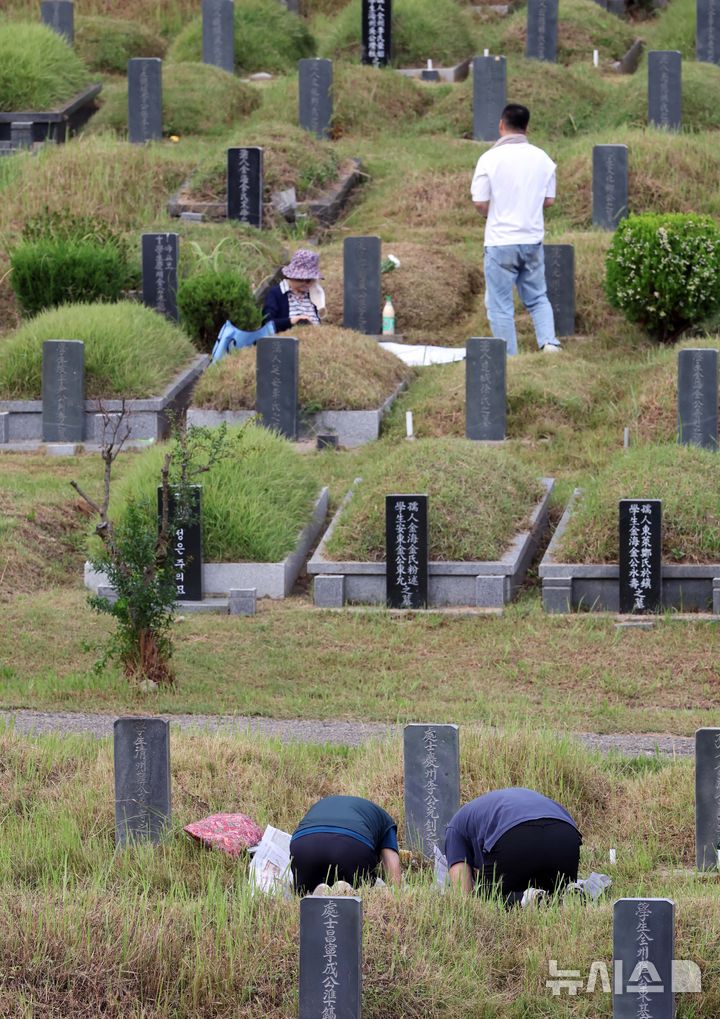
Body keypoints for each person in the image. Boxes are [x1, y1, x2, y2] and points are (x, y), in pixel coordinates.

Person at [470, 103, 562, 356]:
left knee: (500, 304)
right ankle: (549, 343)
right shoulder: (543, 158)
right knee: (537, 297)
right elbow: (549, 200)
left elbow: (479, 201)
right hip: (531, 238)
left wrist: (489, 212)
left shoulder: (489, 158)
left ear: (501, 125)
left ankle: (509, 355)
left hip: (500, 240)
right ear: (527, 127)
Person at [444, 787, 581, 907]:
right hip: (565, 834)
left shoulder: (454, 828)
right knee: (554, 890)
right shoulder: (481, 810)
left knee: (486, 899)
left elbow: (464, 896)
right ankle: (568, 894)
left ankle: (525, 899)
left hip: (514, 833)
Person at [290, 794, 402, 896]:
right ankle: (346, 891)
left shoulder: (321, 804)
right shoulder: (386, 821)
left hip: (303, 844)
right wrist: (395, 894)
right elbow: (392, 866)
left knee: (305, 893)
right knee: (371, 890)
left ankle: (316, 893)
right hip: (352, 843)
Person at [262, 248, 325, 334]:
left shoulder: (315, 294)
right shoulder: (276, 293)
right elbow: (267, 324)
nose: (305, 283)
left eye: (309, 280)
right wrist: (291, 321)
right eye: (300, 279)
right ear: (290, 276)